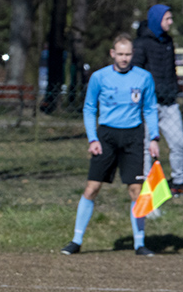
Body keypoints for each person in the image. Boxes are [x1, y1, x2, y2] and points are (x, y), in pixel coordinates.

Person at [61, 33, 160, 257]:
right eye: (120, 54)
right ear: (112, 54)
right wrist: (92, 138)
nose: (124, 59)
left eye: (128, 54)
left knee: (136, 191)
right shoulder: (99, 77)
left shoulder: (144, 77)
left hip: (134, 136)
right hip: (106, 136)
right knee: (92, 187)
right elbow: (89, 108)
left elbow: (150, 109)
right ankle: (76, 240)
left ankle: (139, 243)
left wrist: (153, 138)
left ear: (132, 55)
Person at [131, 4, 183, 197]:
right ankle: (146, 185)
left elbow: (171, 70)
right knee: (147, 147)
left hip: (169, 103)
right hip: (149, 105)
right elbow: (135, 72)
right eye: (167, 18)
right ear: (157, 20)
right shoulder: (141, 44)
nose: (170, 22)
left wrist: (173, 89)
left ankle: (178, 182)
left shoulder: (168, 41)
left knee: (179, 143)